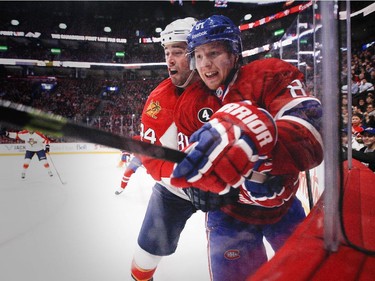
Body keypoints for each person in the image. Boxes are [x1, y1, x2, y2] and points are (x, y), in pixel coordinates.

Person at [171, 15, 323, 280]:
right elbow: (193, 163)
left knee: (314, 273)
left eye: (214, 52)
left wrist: (261, 140)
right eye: (199, 55)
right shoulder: (189, 105)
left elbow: (312, 131)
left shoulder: (268, 75)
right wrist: (201, 187)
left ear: (234, 52)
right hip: (229, 217)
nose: (205, 64)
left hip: (283, 210)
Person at [130, 17, 223, 281]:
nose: (169, 60)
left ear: (197, 54)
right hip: (174, 190)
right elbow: (149, 154)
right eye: (167, 52)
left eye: (178, 52)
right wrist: (182, 178)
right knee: (144, 256)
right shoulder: (159, 98)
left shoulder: (225, 90)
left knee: (232, 261)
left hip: (225, 188)